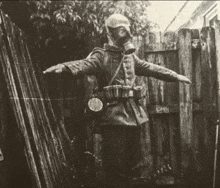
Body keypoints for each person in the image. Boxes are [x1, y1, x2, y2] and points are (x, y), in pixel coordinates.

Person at [43, 14, 191, 188]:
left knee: (135, 164)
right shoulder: (102, 56)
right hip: (113, 119)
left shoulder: (130, 57)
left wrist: (175, 76)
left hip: (135, 117)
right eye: (120, 30)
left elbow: (150, 68)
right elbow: (84, 64)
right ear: (110, 33)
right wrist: (65, 67)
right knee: (115, 167)